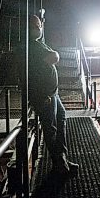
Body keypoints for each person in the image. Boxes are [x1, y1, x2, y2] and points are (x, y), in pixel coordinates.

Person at [26, 14, 79, 176]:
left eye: (39, 25)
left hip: (51, 93)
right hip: (45, 95)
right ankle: (59, 164)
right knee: (51, 129)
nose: (39, 28)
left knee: (61, 119)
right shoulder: (32, 46)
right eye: (35, 26)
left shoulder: (36, 45)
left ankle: (62, 158)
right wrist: (53, 53)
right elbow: (54, 57)